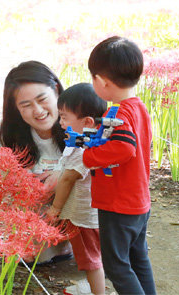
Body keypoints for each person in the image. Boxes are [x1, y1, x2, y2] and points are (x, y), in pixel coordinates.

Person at [83, 36, 156, 294]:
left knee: (116, 267)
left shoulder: (120, 113)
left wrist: (90, 157)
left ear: (102, 81)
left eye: (93, 78)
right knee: (138, 260)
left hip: (118, 204)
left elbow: (124, 147)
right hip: (138, 201)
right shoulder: (138, 108)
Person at [0, 60, 72, 264]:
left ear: (56, 90)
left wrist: (63, 175)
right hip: (45, 207)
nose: (38, 110)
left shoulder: (80, 124)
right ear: (16, 109)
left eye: (42, 99)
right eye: (26, 105)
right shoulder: (17, 135)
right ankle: (57, 248)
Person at [45, 83, 106, 295]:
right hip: (92, 213)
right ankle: (92, 288)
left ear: (87, 122)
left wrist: (54, 209)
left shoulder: (82, 149)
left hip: (82, 218)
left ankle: (98, 292)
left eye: (64, 117)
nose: (59, 122)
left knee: (90, 260)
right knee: (95, 256)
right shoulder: (87, 140)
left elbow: (67, 179)